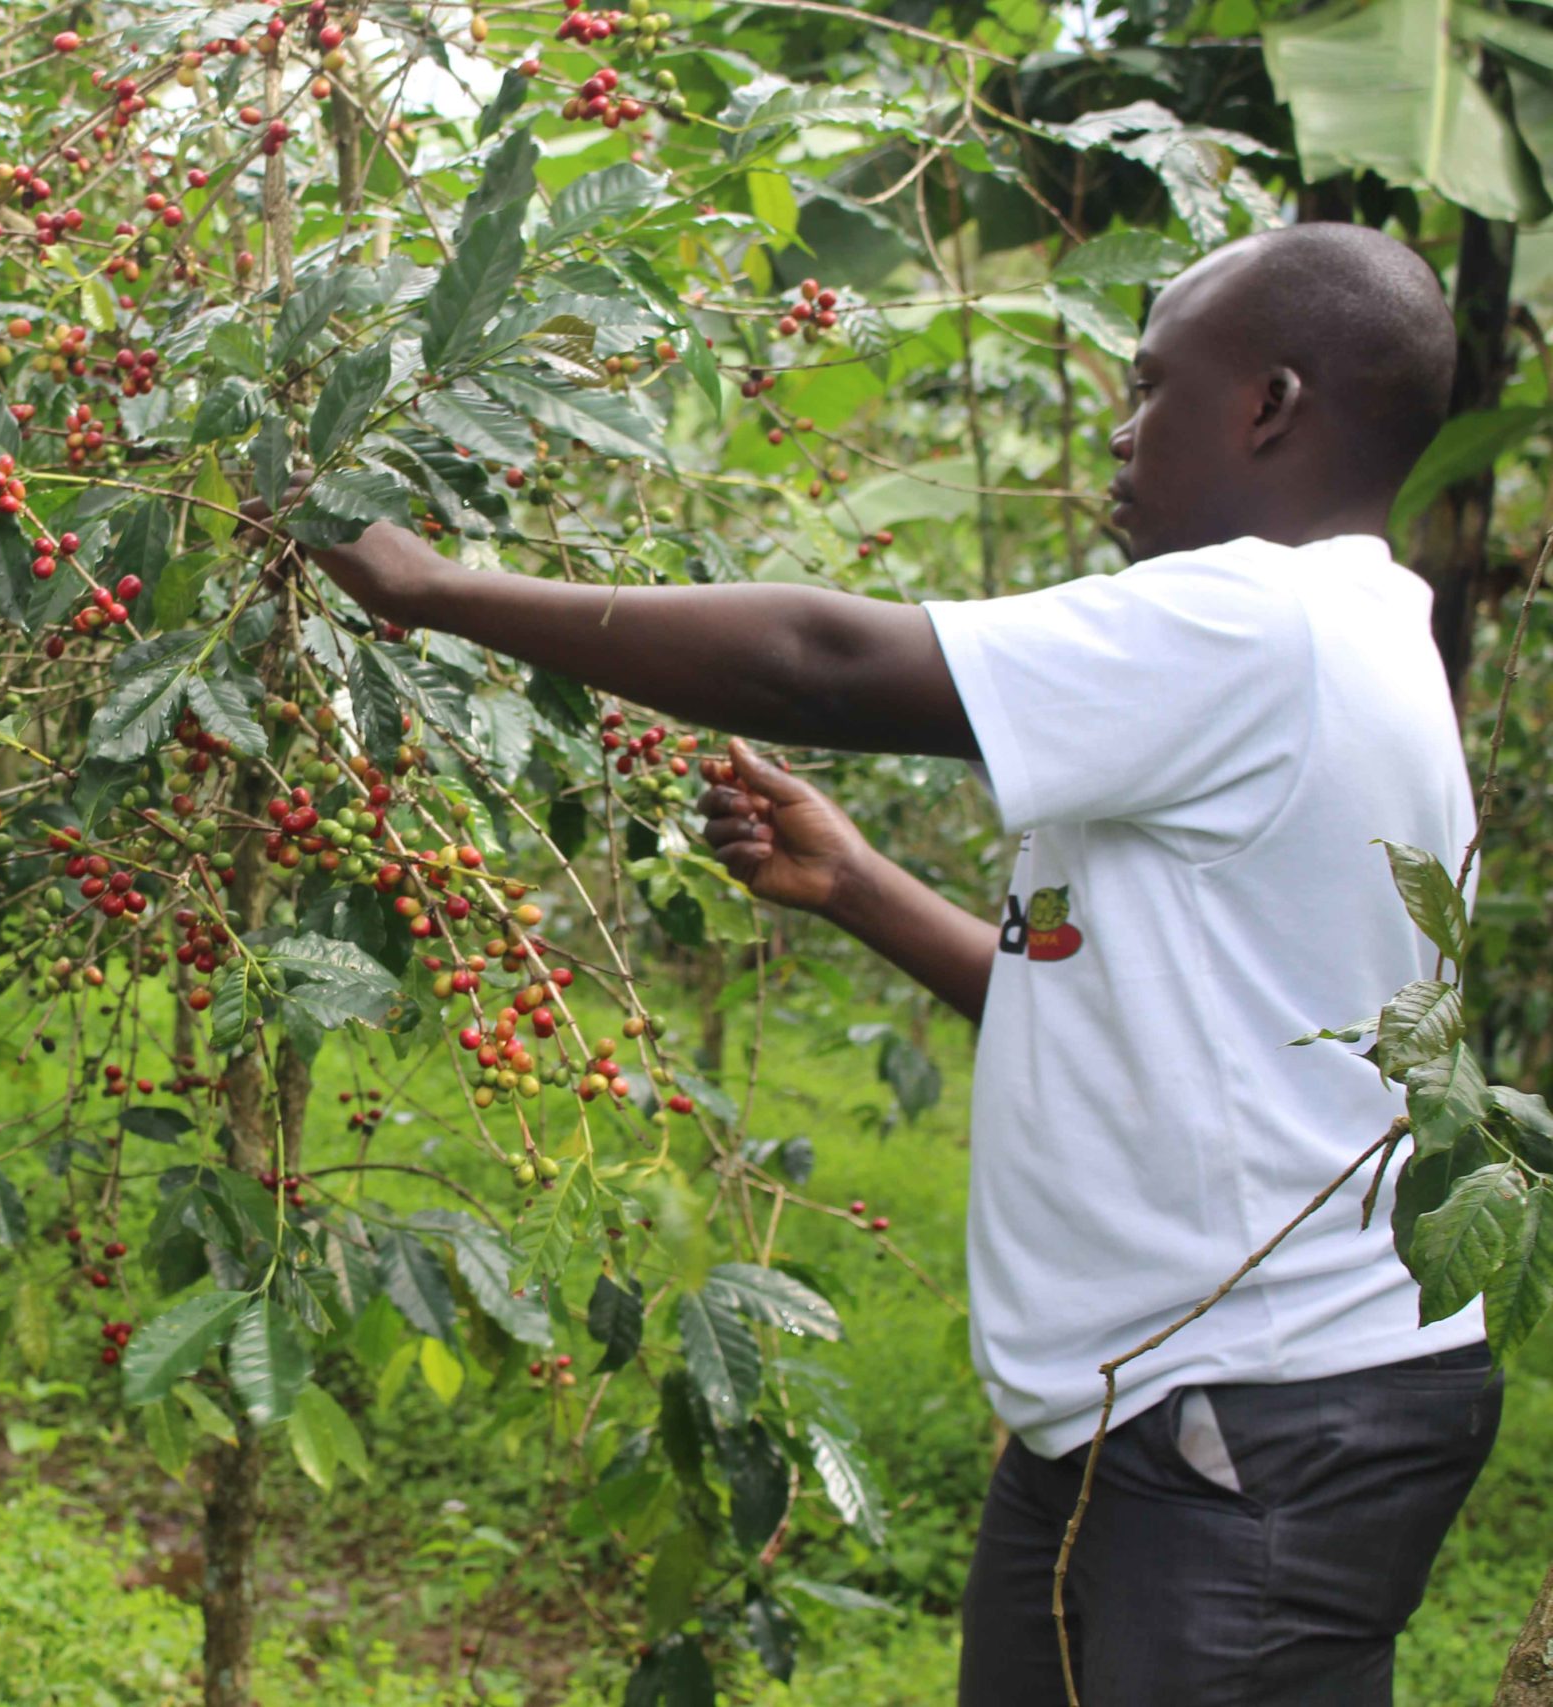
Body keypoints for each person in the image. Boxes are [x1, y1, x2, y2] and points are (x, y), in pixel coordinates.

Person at [255, 221, 1497, 1703]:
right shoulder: (1353, 637)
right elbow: (1113, 1011)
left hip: (1254, 1420)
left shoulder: (1267, 619)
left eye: (1152, 386)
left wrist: (430, 589)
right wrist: (855, 887)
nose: (1116, 427)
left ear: (1270, 406)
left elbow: (824, 661)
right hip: (1158, 1411)